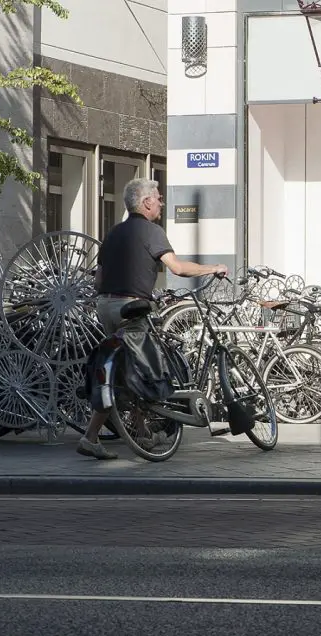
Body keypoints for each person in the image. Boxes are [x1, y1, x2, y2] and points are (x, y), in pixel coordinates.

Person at [76, 178, 228, 460]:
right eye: (158, 198)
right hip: (131, 307)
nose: (161, 202)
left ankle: (124, 432)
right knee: (148, 369)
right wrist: (213, 267)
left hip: (106, 307)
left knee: (122, 371)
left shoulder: (113, 233)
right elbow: (178, 268)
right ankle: (113, 431)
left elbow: (98, 281)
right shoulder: (152, 231)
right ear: (146, 202)